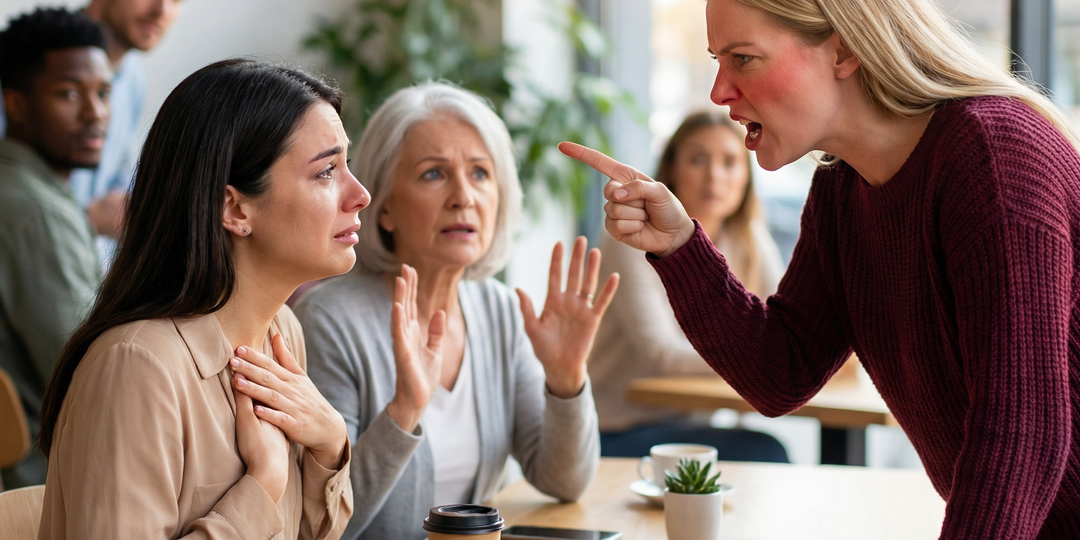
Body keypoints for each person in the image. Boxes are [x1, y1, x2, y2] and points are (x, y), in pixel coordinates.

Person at [561, 0, 1080, 536]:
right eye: (716, 60)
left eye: (743, 58)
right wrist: (681, 246)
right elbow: (781, 374)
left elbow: (1025, 431)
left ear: (844, 50)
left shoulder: (995, 154)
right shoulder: (841, 189)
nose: (719, 92)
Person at [36, 59, 360, 538]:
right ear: (234, 207)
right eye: (326, 172)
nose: (360, 194)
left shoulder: (281, 332)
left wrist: (330, 448)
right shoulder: (136, 366)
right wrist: (263, 486)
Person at [294, 82, 617, 540]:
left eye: (481, 174)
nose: (464, 196)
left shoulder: (500, 312)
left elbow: (563, 481)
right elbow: (323, 526)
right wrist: (403, 413)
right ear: (383, 206)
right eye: (433, 174)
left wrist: (566, 382)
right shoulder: (329, 321)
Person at [590, 111, 787, 460]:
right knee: (766, 453)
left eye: (730, 162)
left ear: (746, 177)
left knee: (762, 455)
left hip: (690, 424)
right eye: (697, 160)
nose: (714, 176)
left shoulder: (749, 240)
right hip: (617, 432)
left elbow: (782, 325)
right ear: (672, 172)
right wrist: (765, 358)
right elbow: (662, 355)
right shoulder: (633, 239)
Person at [0, 7, 110, 490]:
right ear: (16, 105)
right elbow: (90, 382)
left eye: (103, 93)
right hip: (45, 486)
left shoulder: (29, 190)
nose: (95, 113)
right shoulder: (35, 212)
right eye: (69, 93)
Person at [0, 0, 184, 265]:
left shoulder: (133, 81)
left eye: (178, 1)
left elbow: (115, 187)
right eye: (69, 94)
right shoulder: (23, 64)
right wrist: (86, 219)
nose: (162, 10)